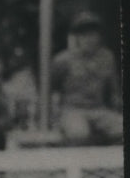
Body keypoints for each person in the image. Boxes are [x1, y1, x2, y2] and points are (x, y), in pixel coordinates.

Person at [50, 11, 123, 146]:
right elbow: (52, 90)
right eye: (84, 35)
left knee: (121, 128)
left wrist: (116, 109)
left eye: (93, 34)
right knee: (79, 134)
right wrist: (55, 116)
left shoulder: (107, 58)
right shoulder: (63, 60)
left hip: (98, 109)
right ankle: (74, 165)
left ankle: (108, 166)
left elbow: (114, 90)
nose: (89, 39)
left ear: (99, 36)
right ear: (76, 37)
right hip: (72, 110)